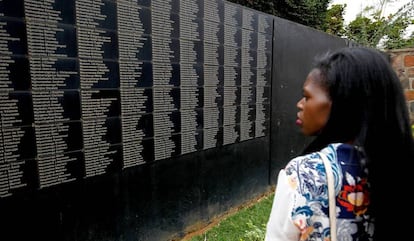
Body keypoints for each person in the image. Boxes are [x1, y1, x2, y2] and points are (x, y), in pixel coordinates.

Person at [264, 46, 414, 241]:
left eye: (308, 96)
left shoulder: (303, 174)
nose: (300, 104)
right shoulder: (400, 168)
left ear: (342, 103)